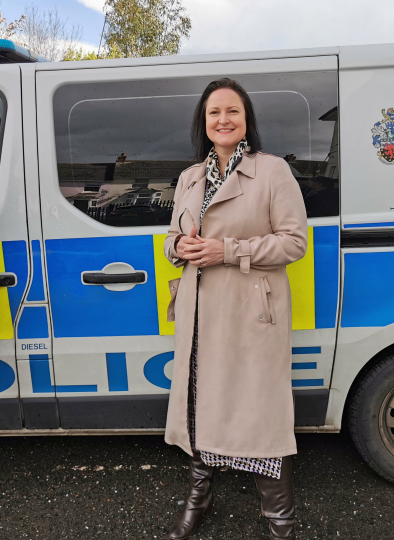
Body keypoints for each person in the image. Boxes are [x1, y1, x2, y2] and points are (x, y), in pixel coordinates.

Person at [162, 78, 308, 540]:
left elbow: (294, 243)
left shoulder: (272, 171)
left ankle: (279, 517)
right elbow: (169, 240)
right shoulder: (189, 177)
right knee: (198, 405)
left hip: (250, 315)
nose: (222, 120)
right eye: (213, 113)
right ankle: (199, 498)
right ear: (203, 123)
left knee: (260, 413)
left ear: (246, 121)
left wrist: (228, 251)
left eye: (232, 112)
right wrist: (179, 247)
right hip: (200, 314)